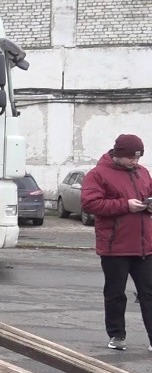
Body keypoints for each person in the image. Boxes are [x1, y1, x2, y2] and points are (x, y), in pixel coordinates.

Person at [80, 133, 152, 352]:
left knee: (149, 292)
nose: (135, 162)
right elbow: (90, 204)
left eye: (138, 157)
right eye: (131, 157)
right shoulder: (98, 174)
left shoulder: (143, 173)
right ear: (118, 154)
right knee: (115, 293)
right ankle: (117, 335)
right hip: (114, 247)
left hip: (144, 245)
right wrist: (125, 205)